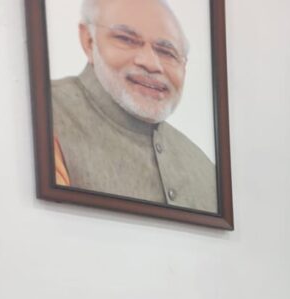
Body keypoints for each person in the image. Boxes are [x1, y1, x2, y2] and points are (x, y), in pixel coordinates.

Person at [51, 0, 217, 211]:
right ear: (89, 41)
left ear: (184, 67)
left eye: (167, 52)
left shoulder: (204, 169)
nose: (151, 63)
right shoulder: (46, 115)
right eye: (126, 40)